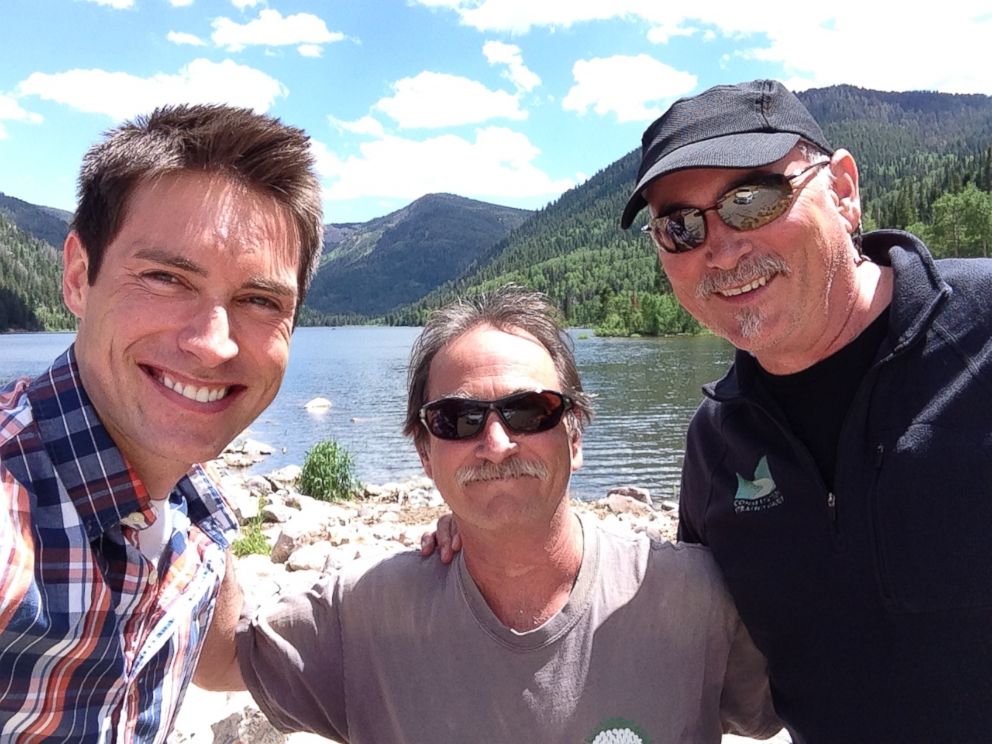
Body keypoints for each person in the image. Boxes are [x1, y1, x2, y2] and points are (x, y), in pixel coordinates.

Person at [194, 286, 779, 743]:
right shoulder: (369, 612)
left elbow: (822, 695)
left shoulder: (693, 597)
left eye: (530, 411)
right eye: (458, 419)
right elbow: (215, 656)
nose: (497, 443)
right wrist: (187, 460)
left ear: (575, 436)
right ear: (425, 451)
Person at [619, 79, 992, 742]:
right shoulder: (717, 443)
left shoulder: (983, 333)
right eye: (681, 226)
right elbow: (713, 651)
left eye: (752, 200)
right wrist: (487, 540)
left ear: (843, 190)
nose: (722, 247)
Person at [0, 104, 323, 742]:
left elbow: (230, 655)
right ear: (78, 276)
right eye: (166, 278)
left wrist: (461, 565)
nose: (213, 344)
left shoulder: (188, 516)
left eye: (259, 300)